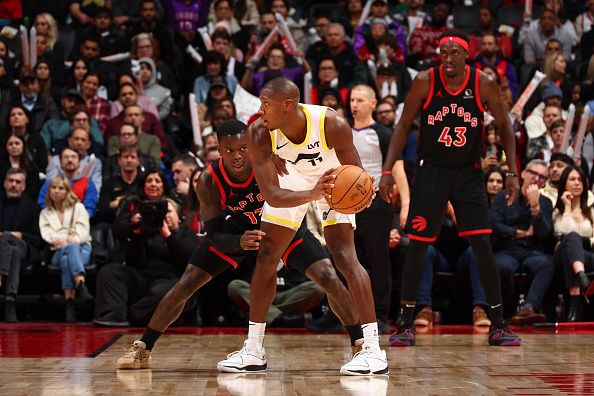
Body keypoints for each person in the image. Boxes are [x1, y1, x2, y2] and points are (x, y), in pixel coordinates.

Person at [115, 120, 362, 370]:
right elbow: (213, 234)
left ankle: (359, 343)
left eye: (243, 148)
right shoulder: (208, 180)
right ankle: (144, 348)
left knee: (328, 276)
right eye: (230, 150)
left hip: (279, 222)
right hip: (235, 230)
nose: (238, 156)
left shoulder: (269, 160)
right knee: (187, 283)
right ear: (219, 151)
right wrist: (237, 241)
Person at [217, 79, 388, 376]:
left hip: (335, 178)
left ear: (287, 105)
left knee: (344, 256)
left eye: (266, 104)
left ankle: (372, 349)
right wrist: (312, 193)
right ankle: (254, 349)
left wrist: (363, 191)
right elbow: (271, 195)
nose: (260, 110)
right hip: (295, 180)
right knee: (267, 256)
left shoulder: (331, 123)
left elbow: (356, 173)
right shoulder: (259, 132)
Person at [378, 31, 522, 347]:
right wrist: (388, 169)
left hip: (468, 176)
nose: (449, 57)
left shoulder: (482, 82)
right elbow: (402, 125)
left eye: (455, 52)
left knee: (483, 245)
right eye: (444, 52)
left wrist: (511, 171)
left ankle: (498, 323)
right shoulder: (425, 81)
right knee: (417, 245)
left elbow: (504, 127)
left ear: (466, 54)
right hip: (431, 174)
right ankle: (405, 323)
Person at [349, 84, 394, 333]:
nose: (354, 104)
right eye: (352, 100)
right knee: (346, 260)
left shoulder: (383, 134)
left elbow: (395, 169)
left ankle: (379, 315)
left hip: (375, 203)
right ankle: (348, 314)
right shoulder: (342, 131)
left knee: (378, 261)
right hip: (345, 204)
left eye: (360, 100)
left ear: (372, 104)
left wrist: (405, 203)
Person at [491, 160, 555, 325]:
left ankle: (528, 307)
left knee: (547, 264)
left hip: (532, 250)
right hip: (507, 249)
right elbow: (495, 225)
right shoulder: (504, 196)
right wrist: (519, 233)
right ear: (523, 174)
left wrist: (535, 207)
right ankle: (511, 310)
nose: (536, 179)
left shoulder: (545, 202)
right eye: (534, 173)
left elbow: (543, 232)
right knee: (501, 266)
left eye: (542, 177)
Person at [39, 175, 94, 322]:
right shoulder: (45, 213)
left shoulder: (79, 208)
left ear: (67, 191)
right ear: (49, 190)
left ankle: (69, 304)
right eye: (53, 187)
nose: (56, 191)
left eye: (60, 188)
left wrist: (71, 240)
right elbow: (47, 235)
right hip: (57, 251)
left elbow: (83, 231)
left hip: (82, 248)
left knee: (66, 260)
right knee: (67, 251)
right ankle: (81, 285)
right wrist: (67, 240)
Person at [553, 165, 594, 322]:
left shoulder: (590, 211)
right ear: (564, 184)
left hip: (587, 254)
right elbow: (562, 234)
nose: (577, 183)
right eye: (572, 179)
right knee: (571, 238)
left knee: (574, 242)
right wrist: (568, 207)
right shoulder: (558, 211)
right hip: (563, 256)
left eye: (580, 180)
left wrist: (586, 241)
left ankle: (576, 304)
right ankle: (581, 280)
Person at [0, 168, 42, 322]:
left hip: (26, 247)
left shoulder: (33, 207)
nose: (13, 185)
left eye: (18, 182)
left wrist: (21, 235)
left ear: (23, 186)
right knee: (13, 250)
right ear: (4, 183)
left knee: (8, 240)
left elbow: (38, 239)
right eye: (10, 181)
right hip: (10, 251)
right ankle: (10, 303)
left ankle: (1, 276)